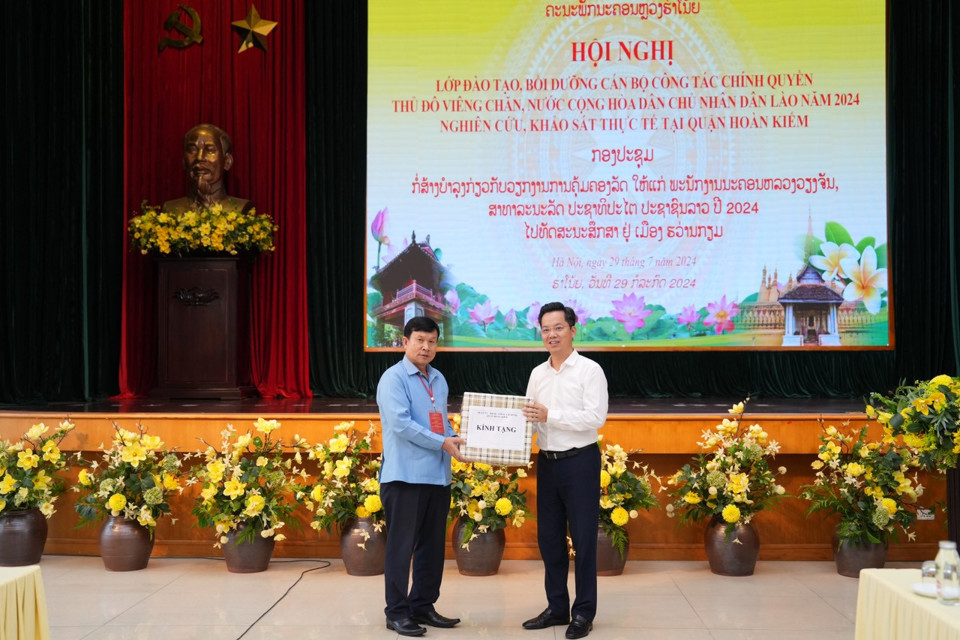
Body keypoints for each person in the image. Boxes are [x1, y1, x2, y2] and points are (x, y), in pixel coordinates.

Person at [520, 301, 609, 640]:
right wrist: (496, 440)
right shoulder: (537, 374)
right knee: (550, 540)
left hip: (581, 462)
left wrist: (550, 415)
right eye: (545, 329)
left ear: (573, 330)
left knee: (584, 540)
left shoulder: (590, 370)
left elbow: (595, 418)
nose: (551, 334)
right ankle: (557, 607)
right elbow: (529, 418)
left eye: (558, 327)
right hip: (548, 463)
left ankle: (583, 612)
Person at [376, 316, 467, 637]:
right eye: (419, 340)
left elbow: (439, 424)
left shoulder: (439, 379)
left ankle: (423, 605)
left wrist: (457, 439)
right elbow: (401, 425)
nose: (426, 347)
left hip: (437, 478)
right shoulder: (394, 378)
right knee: (401, 548)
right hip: (404, 478)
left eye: (432, 341)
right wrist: (443, 442)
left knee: (431, 548)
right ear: (405, 342)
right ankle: (397, 612)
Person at [162, 123, 251, 214]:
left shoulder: (239, 209)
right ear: (184, 161)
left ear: (227, 162)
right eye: (192, 150)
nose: (199, 157)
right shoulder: (171, 208)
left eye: (210, 150)